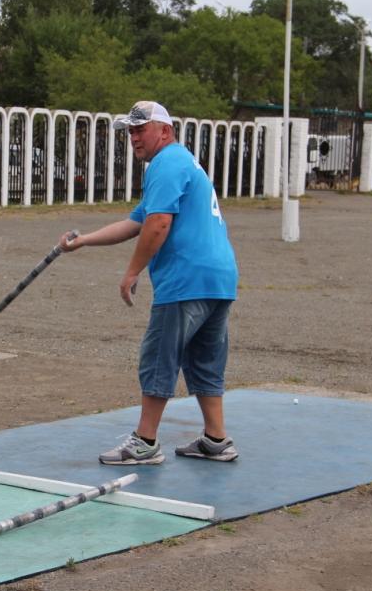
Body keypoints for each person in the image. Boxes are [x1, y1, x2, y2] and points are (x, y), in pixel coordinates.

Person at [58, 101, 239, 465]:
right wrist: (83, 240)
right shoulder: (182, 162)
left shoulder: (166, 163)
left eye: (141, 129)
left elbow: (158, 224)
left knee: (159, 357)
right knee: (203, 357)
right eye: (131, 130)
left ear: (165, 131)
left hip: (186, 279)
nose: (134, 137)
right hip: (218, 278)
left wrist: (131, 272)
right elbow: (136, 222)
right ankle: (217, 439)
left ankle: (145, 441)